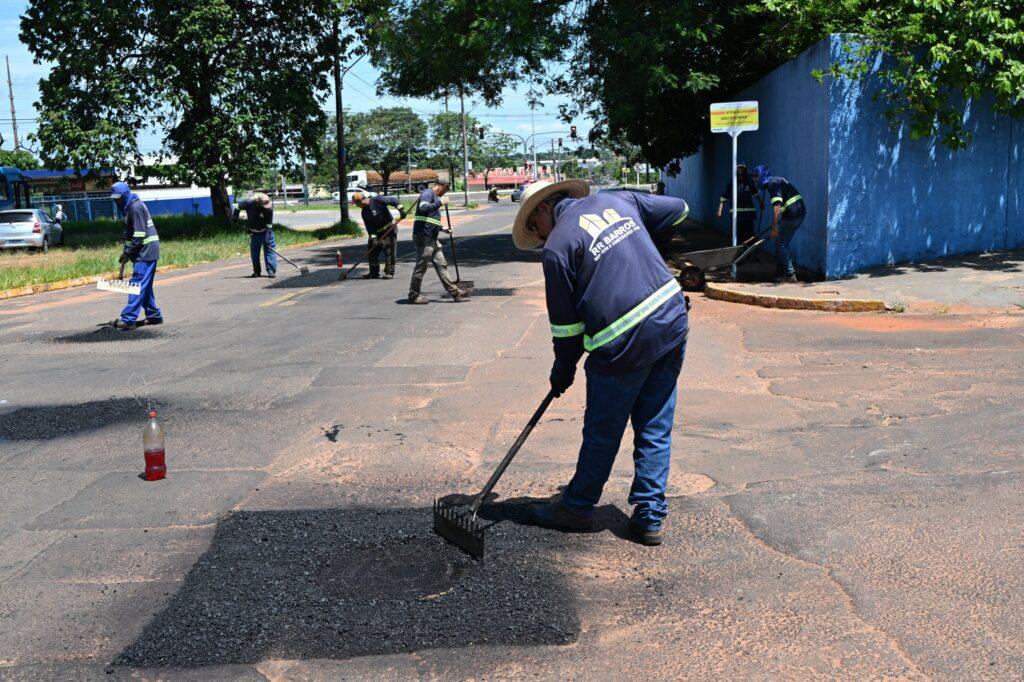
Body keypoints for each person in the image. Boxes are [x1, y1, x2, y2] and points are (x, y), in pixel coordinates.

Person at [512, 179, 691, 546]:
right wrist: (646, 249)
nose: (539, 236)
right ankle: (650, 517)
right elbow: (679, 209)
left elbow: (566, 329)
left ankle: (577, 507)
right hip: (671, 319)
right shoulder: (619, 200)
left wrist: (562, 370)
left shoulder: (559, 247)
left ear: (545, 208)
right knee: (655, 423)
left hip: (624, 342)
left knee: (602, 432)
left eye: (535, 227)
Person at [107, 181, 162, 330]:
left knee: (136, 284)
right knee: (145, 286)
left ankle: (129, 319)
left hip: (146, 251)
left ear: (125, 195)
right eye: (114, 198)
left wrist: (128, 252)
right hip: (144, 250)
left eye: (118, 198)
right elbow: (132, 235)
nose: (116, 200)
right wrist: (127, 251)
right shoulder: (129, 207)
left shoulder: (135, 207)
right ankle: (154, 316)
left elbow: (139, 234)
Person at [407, 181, 467, 304]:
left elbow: (430, 219)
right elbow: (423, 208)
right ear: (440, 186)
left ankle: (455, 292)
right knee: (421, 267)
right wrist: (440, 202)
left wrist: (442, 228)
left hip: (432, 238)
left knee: (441, 264)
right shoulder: (427, 193)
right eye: (444, 189)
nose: (444, 193)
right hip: (423, 237)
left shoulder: (434, 197)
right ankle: (413, 295)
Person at [752, 165, 805, 283]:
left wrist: (774, 227)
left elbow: (777, 207)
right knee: (779, 243)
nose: (754, 179)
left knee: (781, 243)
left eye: (756, 176)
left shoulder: (772, 184)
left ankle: (790, 274)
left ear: (763, 175)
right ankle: (781, 270)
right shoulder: (775, 181)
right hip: (796, 213)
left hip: (793, 215)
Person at [352, 190, 405, 279]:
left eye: (357, 204)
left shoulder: (377, 200)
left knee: (389, 251)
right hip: (377, 232)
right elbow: (369, 228)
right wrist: (374, 239)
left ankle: (389, 272)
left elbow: (393, 200)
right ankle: (374, 272)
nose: (357, 206)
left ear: (361, 201)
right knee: (372, 251)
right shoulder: (364, 212)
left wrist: (401, 209)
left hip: (389, 229)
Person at [232, 192, 276, 278]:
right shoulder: (249, 203)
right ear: (258, 202)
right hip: (254, 233)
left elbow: (269, 225)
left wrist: (267, 237)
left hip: (266, 231)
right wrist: (235, 216)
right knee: (254, 253)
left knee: (269, 251)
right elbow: (237, 206)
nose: (266, 206)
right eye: (264, 205)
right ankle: (256, 271)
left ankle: (271, 271)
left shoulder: (269, 209)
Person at [715, 162, 760, 242]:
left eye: (742, 168)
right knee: (738, 235)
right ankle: (739, 252)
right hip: (736, 214)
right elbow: (724, 195)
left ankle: (749, 252)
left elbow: (755, 193)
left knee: (749, 234)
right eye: (739, 168)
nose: (740, 169)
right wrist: (720, 209)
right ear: (736, 169)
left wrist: (761, 203)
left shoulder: (749, 181)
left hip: (748, 214)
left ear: (745, 169)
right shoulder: (732, 181)